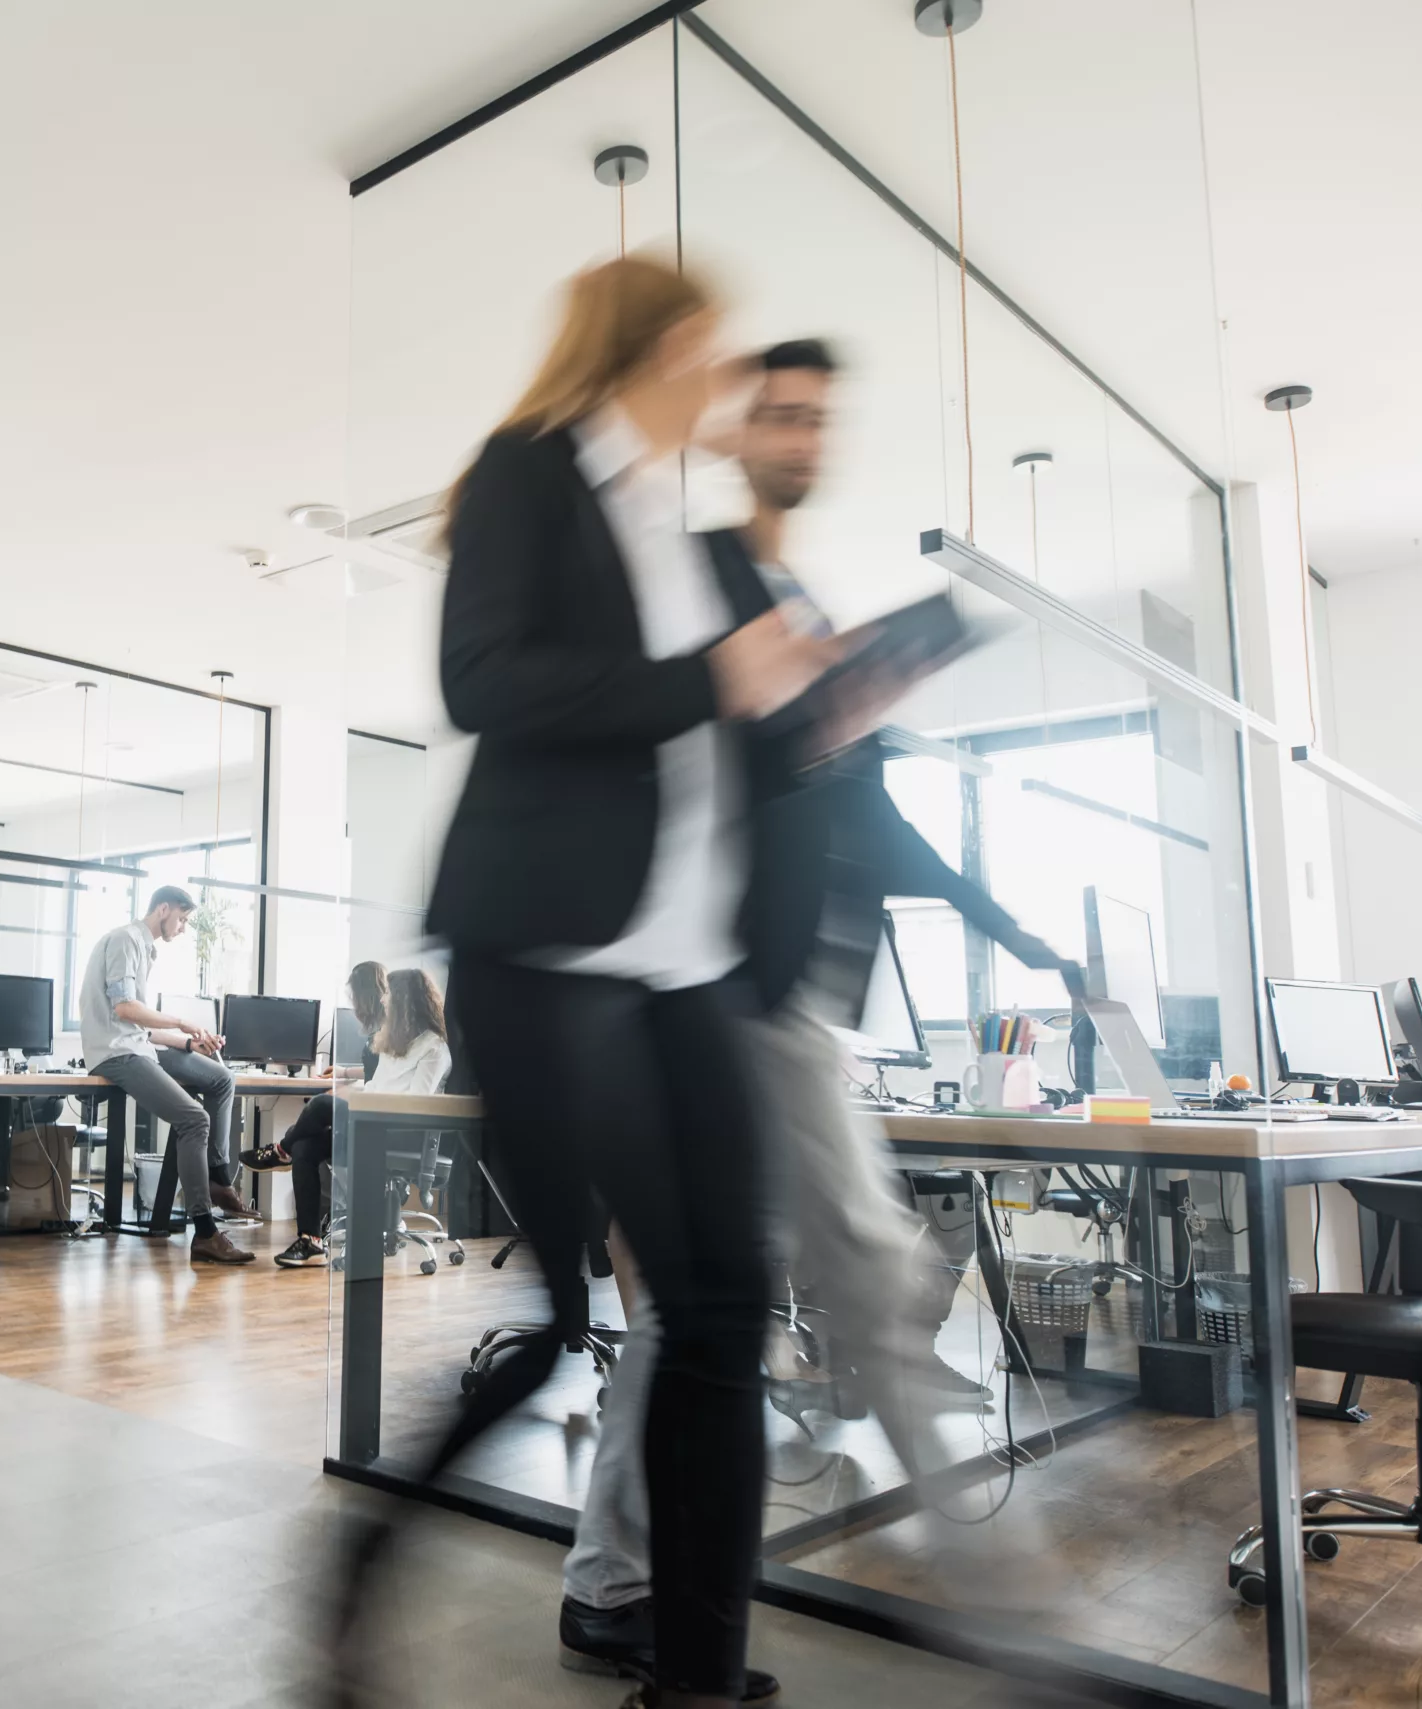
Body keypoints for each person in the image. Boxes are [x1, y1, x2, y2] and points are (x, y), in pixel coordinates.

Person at [325, 255, 836, 1709]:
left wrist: (810, 705)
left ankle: (695, 1675)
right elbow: (484, 681)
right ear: (660, 346)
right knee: (562, 1318)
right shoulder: (528, 474)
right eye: (714, 352)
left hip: (685, 969)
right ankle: (361, 1563)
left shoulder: (677, 533)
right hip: (547, 955)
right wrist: (712, 681)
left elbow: (706, 743)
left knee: (725, 1308)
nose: (728, 384)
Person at [557, 339, 1086, 1688]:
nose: (801, 432)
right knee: (862, 1262)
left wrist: (1013, 929)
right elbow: (698, 762)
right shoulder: (716, 577)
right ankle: (999, 1600)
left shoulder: (794, 593)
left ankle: (613, 1574)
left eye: (816, 416)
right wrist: (822, 701)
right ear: (737, 432)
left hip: (788, 994)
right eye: (779, 412)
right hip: (733, 988)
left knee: (710, 1303)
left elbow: (877, 818)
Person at [78, 885, 257, 1265]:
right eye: (183, 918)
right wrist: (180, 1021)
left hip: (137, 1046)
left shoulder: (143, 948)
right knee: (194, 1119)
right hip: (115, 1054)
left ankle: (218, 1177)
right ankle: (205, 1232)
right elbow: (126, 1009)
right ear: (163, 909)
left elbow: (138, 1026)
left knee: (222, 1079)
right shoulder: (126, 940)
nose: (184, 927)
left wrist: (189, 1042)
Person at [247, 965, 449, 1269]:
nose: (383, 1001)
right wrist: (356, 1096)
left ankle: (280, 1150)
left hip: (397, 1132)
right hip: (369, 1124)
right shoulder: (395, 1042)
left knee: (319, 1105)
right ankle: (310, 1242)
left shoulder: (434, 1048)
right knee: (306, 1149)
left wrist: (356, 1101)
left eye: (389, 995)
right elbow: (375, 1086)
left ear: (406, 1001)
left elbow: (413, 1106)